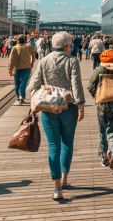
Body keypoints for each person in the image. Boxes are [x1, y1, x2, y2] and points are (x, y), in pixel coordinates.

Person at [26, 31, 85, 201]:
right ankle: (65, 178)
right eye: (71, 44)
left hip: (49, 109)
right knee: (67, 143)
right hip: (69, 107)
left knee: (53, 146)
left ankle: (57, 187)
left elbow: (33, 86)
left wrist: (43, 92)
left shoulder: (44, 61)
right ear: (67, 46)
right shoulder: (72, 60)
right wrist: (81, 105)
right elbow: (76, 85)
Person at [9, 35, 35, 105]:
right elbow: (33, 55)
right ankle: (22, 96)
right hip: (27, 68)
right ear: (25, 40)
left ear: (17, 41)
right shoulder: (28, 47)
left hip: (16, 68)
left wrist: (10, 69)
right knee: (24, 82)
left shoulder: (14, 48)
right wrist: (32, 63)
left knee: (16, 83)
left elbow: (11, 60)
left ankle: (17, 96)